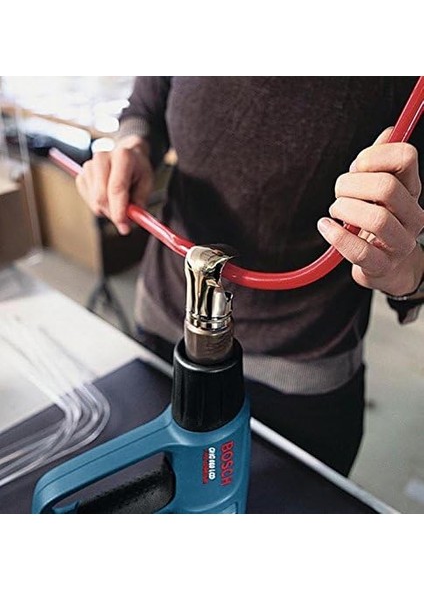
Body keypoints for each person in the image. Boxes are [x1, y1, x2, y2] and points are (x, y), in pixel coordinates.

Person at [76, 77, 424, 476]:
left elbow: (415, 263)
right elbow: (144, 109)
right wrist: (131, 148)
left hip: (300, 381)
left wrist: (405, 270)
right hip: (162, 333)